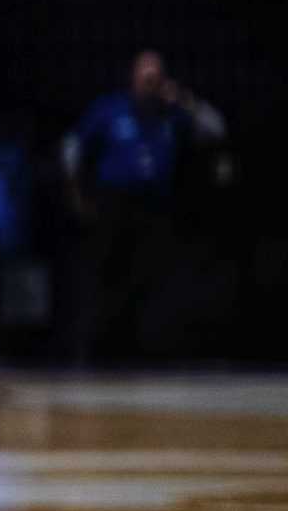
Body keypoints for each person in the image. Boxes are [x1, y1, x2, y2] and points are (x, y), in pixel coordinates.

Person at [60, 48, 226, 364]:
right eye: (144, 74)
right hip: (113, 204)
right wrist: (75, 193)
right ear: (133, 77)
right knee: (105, 279)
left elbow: (216, 129)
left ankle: (139, 353)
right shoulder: (109, 109)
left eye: (156, 75)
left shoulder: (172, 113)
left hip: (155, 207)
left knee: (149, 280)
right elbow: (73, 146)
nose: (150, 81)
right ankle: (94, 352)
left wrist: (185, 101)